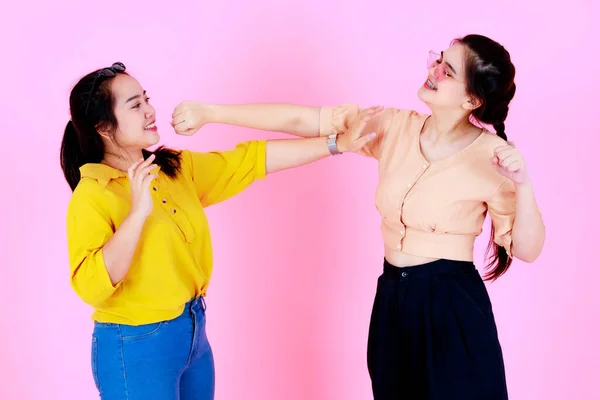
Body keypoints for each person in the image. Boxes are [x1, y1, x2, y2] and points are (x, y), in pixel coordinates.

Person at [170, 34, 546, 399]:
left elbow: (527, 250)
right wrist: (212, 113)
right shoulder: (395, 126)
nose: (434, 69)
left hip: (452, 305)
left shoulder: (494, 158)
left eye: (448, 70)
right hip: (394, 297)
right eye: (438, 59)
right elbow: (307, 120)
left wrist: (523, 185)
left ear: (471, 99)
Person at [60, 61, 380, 400]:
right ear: (104, 128)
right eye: (135, 105)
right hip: (135, 345)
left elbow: (251, 160)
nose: (150, 110)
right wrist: (137, 213)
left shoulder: (172, 169)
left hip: (192, 332)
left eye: (146, 98)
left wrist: (337, 143)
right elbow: (93, 287)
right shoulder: (92, 195)